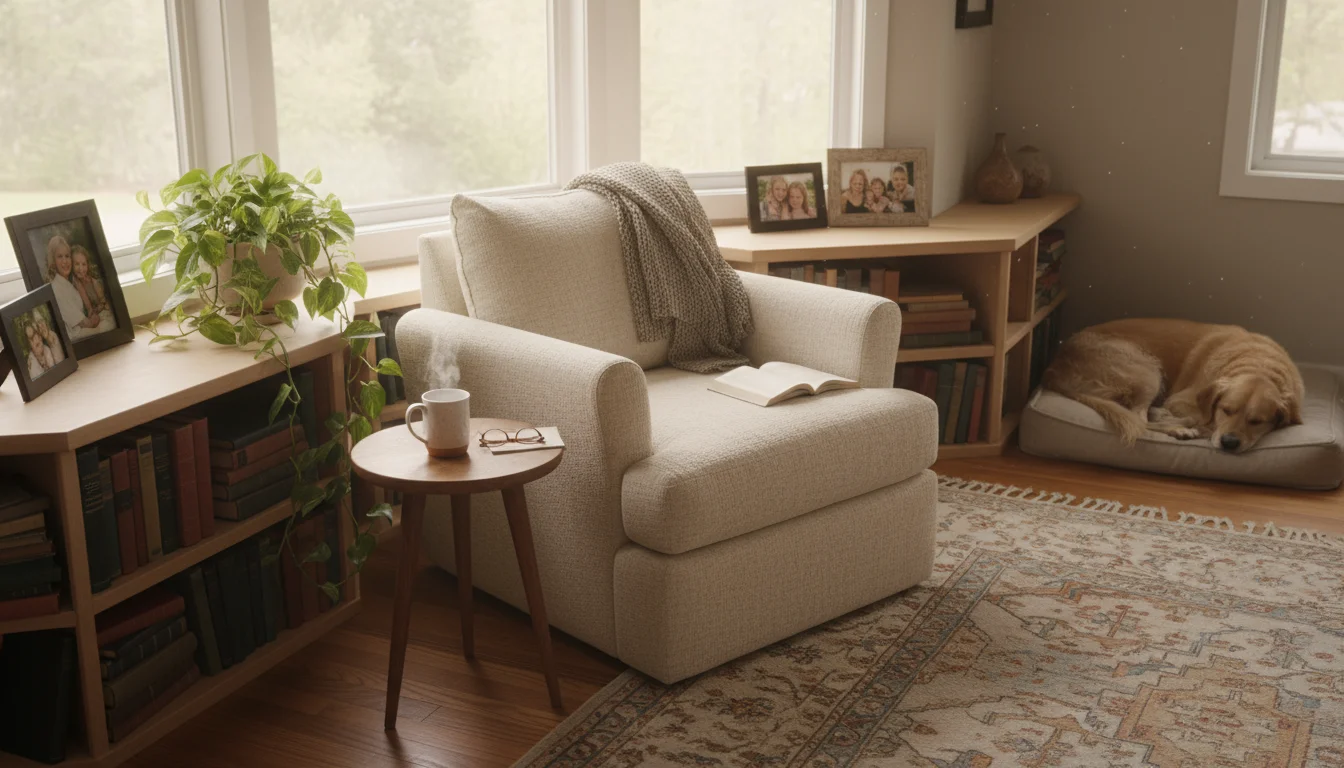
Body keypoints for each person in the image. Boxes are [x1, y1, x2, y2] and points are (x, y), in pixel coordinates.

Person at [45, 235, 111, 339]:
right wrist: (95, 318)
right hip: (78, 337)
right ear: (53, 260)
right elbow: (86, 324)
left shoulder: (69, 284)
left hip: (85, 330)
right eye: (60, 256)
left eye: (67, 256)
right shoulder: (56, 288)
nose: (65, 261)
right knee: (108, 324)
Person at [71, 245, 109, 317]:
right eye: (77, 264)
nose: (81, 268)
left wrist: (100, 306)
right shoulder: (73, 284)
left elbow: (104, 302)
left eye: (84, 264)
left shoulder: (94, 282)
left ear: (88, 265)